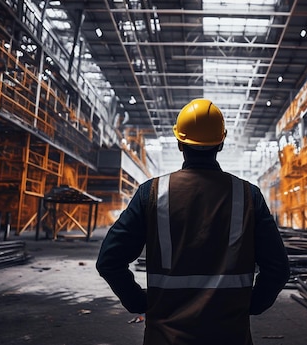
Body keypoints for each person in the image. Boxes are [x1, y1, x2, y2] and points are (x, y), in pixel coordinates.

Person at [96, 98, 290, 345]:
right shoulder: (247, 195)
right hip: (230, 335)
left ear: (180, 143)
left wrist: (139, 302)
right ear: (220, 143)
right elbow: (278, 269)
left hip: (165, 336)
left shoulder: (152, 193)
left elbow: (109, 261)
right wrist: (251, 305)